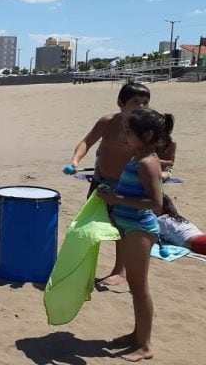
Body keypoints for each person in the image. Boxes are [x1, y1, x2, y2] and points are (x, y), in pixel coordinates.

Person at [97, 107, 172, 362]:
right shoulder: (137, 157)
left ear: (147, 134)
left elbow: (156, 202)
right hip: (130, 227)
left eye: (128, 132)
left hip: (140, 229)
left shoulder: (146, 162)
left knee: (140, 288)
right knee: (134, 287)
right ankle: (137, 334)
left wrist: (117, 198)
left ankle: (146, 345)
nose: (123, 136)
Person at [66, 82, 150, 286]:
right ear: (121, 103)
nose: (140, 107)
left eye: (145, 103)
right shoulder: (108, 121)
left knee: (121, 228)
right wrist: (75, 160)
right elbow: (86, 142)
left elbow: (156, 155)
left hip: (124, 186)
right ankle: (85, 267)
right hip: (99, 180)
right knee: (90, 224)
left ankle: (119, 271)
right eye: (135, 102)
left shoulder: (144, 129)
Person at [155, 115, 176, 181]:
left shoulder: (172, 143)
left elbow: (171, 163)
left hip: (167, 170)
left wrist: (157, 161)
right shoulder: (154, 142)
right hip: (155, 166)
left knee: (161, 176)